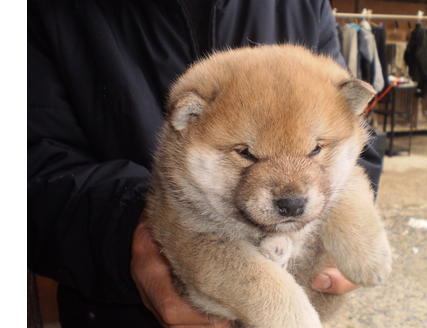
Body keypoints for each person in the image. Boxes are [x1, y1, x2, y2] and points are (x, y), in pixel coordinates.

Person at [28, 0, 382, 327]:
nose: (291, 193)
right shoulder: (44, 12)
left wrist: (352, 218)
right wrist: (126, 232)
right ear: (188, 117)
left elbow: (352, 131)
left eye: (314, 150)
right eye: (247, 154)